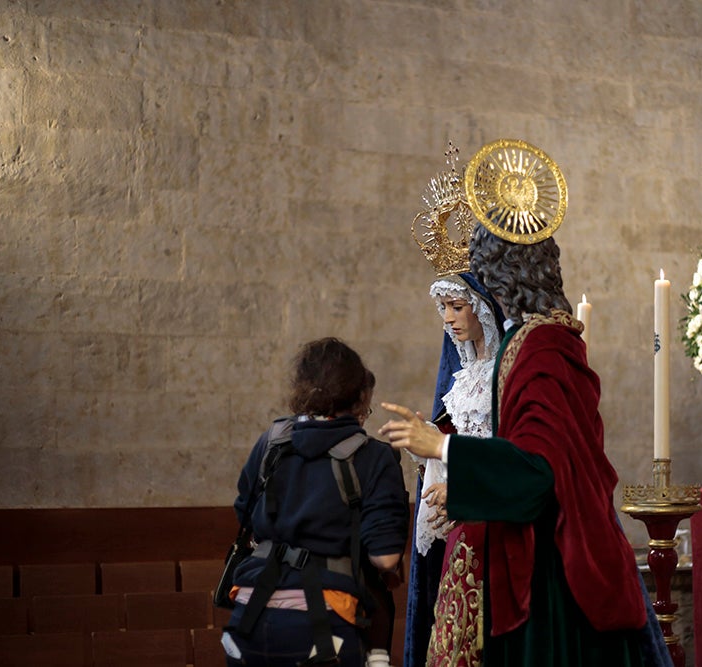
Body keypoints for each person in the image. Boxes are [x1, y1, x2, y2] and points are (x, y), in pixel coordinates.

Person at [381, 138, 671, 666]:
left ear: (501, 272)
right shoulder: (536, 340)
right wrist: (463, 485)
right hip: (534, 546)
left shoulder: (541, 348)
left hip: (551, 574)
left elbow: (537, 470)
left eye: (484, 268)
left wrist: (443, 449)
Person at [223, 337, 409, 667]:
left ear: (301, 386)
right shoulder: (374, 455)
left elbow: (245, 512)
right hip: (323, 627)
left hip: (247, 621)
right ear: (360, 394)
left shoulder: (272, 441)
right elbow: (385, 558)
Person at [421, 271, 505, 667]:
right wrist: (427, 443)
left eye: (457, 307)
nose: (449, 319)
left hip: (495, 517)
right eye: (444, 309)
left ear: (484, 308)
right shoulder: (465, 377)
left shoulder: (504, 375)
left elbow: (501, 452)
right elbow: (457, 435)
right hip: (463, 521)